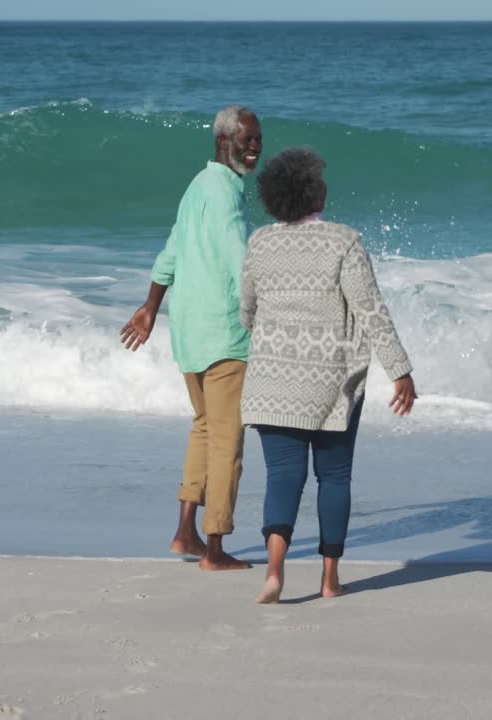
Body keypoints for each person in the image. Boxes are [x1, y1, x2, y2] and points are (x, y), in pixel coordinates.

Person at [239, 147, 417, 603]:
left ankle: (274, 573)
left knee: (283, 476)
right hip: (331, 383)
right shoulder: (344, 241)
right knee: (333, 477)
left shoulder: (259, 242)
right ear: (314, 192)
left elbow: (247, 312)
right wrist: (401, 370)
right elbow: (371, 309)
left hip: (271, 381)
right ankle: (329, 579)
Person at [120, 105, 262, 571]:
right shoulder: (225, 195)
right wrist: (270, 314)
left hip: (189, 331)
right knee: (227, 440)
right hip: (223, 333)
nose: (256, 146)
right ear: (225, 141)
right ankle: (215, 547)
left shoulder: (196, 187)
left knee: (204, 427)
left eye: (258, 138)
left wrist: (150, 306)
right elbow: (241, 257)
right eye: (247, 139)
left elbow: (171, 251)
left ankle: (185, 532)